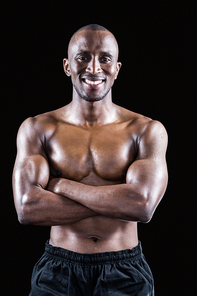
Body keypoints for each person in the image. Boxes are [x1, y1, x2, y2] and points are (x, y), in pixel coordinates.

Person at [12, 24, 168, 296]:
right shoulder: (38, 129)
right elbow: (28, 208)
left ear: (117, 68)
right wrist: (118, 201)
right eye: (83, 57)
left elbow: (142, 206)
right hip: (57, 272)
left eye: (104, 58)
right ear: (67, 66)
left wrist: (62, 187)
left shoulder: (145, 131)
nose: (94, 68)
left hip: (125, 270)